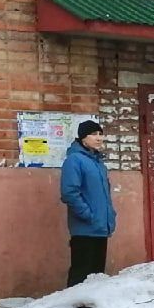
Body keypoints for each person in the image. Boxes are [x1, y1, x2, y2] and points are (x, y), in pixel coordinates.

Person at [59, 118, 116, 287]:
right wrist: (87, 215)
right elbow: (69, 192)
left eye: (100, 134)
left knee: (97, 277)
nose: (99, 138)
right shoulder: (74, 160)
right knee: (81, 274)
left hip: (100, 228)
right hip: (84, 228)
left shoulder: (98, 163)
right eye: (93, 134)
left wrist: (110, 216)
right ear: (83, 138)